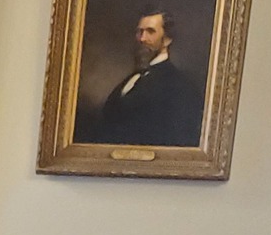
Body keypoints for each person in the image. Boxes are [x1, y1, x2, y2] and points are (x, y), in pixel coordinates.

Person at [81, 9, 205, 148]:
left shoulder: (179, 86)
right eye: (139, 32)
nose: (142, 39)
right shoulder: (132, 79)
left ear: (167, 39)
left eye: (150, 32)